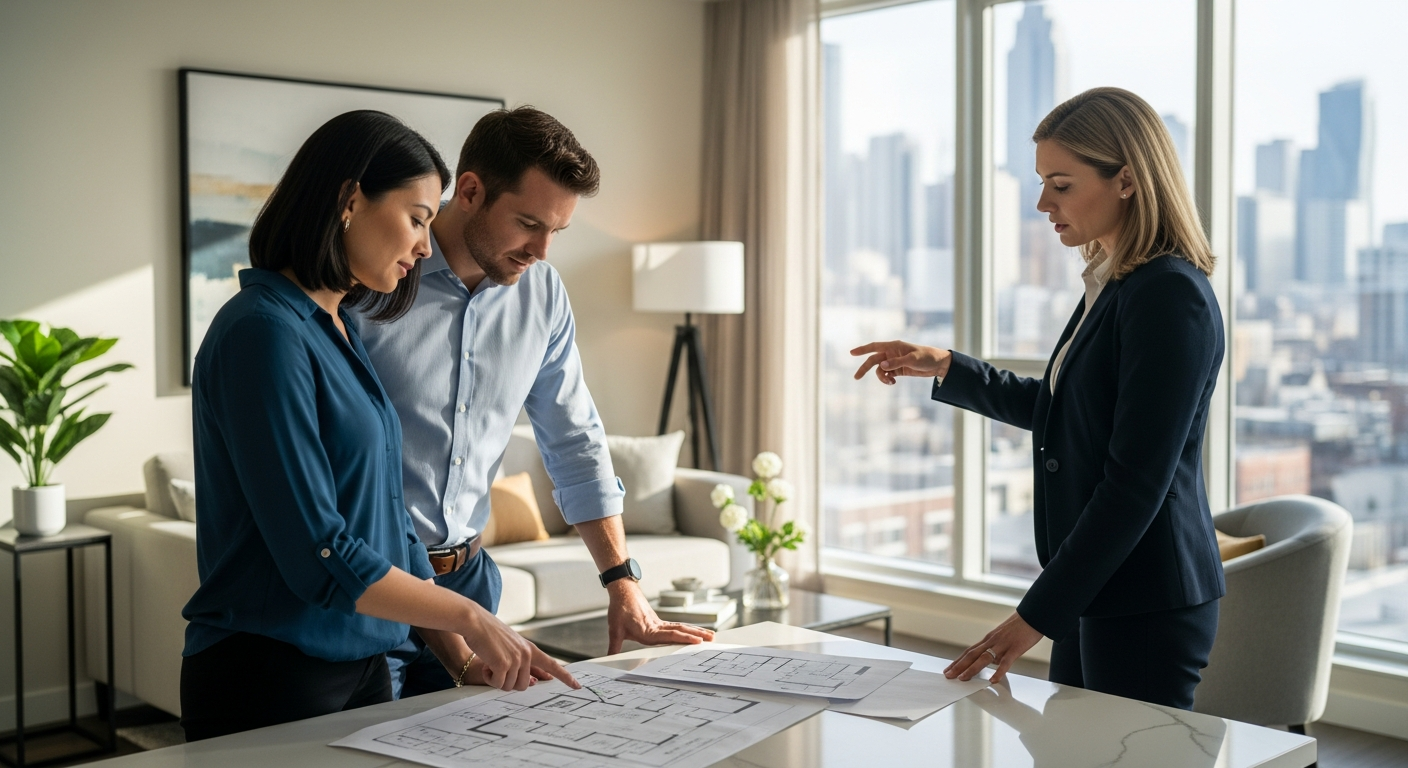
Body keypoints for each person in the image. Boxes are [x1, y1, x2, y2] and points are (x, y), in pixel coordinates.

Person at [180, 110, 577, 742]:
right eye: (417, 218)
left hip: (363, 664)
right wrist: (471, 618)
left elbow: (391, 523)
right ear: (348, 202)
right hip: (272, 672)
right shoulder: (261, 331)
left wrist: (458, 656)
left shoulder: (335, 326)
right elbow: (321, 552)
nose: (425, 245)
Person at [851, 87, 1225, 710]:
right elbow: (1067, 414)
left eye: (1061, 183)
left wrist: (1034, 615)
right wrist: (947, 367)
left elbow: (1135, 482)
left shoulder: (1167, 296)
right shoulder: (1114, 283)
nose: (1042, 202)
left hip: (1145, 599)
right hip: (1099, 590)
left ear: (1128, 180)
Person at [351, 106, 713, 700]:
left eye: (555, 232)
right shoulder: (373, 282)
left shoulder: (541, 293)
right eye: (527, 224)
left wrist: (622, 583)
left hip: (469, 582)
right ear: (469, 191)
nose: (541, 251)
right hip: (374, 591)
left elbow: (574, 439)